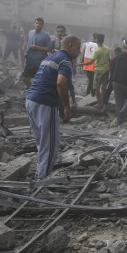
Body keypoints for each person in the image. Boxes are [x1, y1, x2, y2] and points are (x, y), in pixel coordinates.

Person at [25, 35, 81, 180]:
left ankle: (40, 173)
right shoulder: (65, 61)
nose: (79, 52)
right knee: (50, 147)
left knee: (41, 143)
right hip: (45, 102)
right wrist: (67, 107)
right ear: (69, 45)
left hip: (31, 100)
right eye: (78, 48)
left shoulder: (51, 57)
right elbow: (61, 83)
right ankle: (42, 182)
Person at [22, 17, 53, 89]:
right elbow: (28, 43)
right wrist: (26, 53)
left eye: (40, 24)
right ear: (34, 24)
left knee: (39, 80)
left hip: (40, 61)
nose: (38, 25)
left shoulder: (46, 35)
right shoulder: (30, 32)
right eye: (37, 23)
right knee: (25, 79)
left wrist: (37, 47)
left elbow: (50, 49)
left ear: (42, 25)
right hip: (30, 60)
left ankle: (37, 94)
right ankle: (32, 91)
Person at [54, 25, 77, 119]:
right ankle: (61, 111)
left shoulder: (68, 42)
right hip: (57, 67)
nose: (59, 33)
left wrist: (73, 66)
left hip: (66, 67)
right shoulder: (55, 41)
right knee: (59, 88)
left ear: (64, 32)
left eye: (61, 31)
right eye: (58, 31)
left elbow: (74, 54)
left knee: (69, 86)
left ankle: (73, 102)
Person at [81, 33, 109, 109]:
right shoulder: (107, 49)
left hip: (98, 72)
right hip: (106, 71)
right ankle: (103, 103)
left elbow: (90, 62)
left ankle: (99, 104)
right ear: (103, 41)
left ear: (96, 40)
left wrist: (81, 63)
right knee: (103, 88)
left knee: (96, 88)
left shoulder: (97, 51)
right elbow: (109, 61)